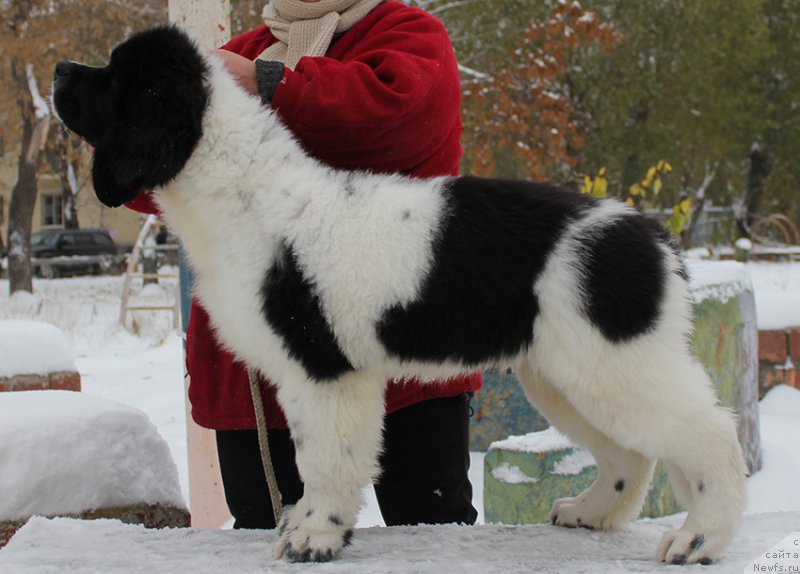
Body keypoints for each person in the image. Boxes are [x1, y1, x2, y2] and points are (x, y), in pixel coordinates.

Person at [126, 0, 481, 529]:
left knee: (431, 534)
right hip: (262, 371)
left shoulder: (407, 33)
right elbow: (161, 176)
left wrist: (267, 84)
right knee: (267, 543)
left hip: (399, 356)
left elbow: (390, 121)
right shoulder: (239, 53)